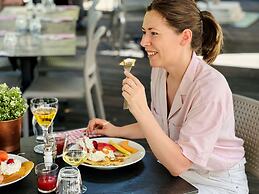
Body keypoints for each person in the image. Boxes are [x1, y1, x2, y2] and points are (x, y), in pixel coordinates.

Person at [87, 0, 249, 193]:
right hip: (175, 176)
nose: (143, 42)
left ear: (184, 37)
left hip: (214, 183)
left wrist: (140, 109)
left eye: (154, 33)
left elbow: (178, 164)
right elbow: (159, 124)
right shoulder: (160, 71)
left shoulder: (210, 87)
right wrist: (116, 131)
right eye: (144, 31)